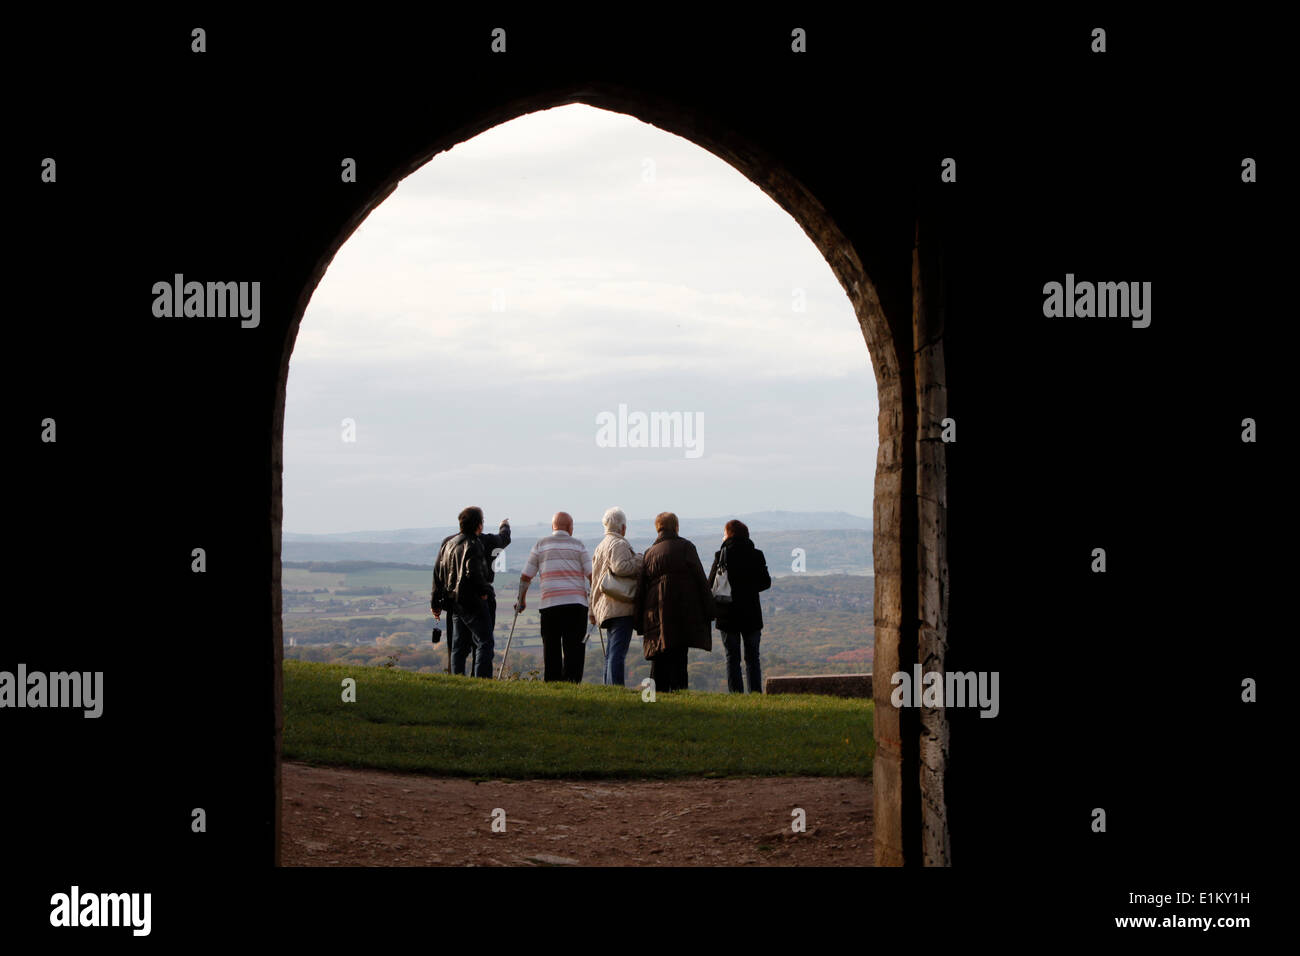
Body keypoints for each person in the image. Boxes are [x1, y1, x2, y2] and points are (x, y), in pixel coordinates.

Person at [634, 512, 713, 692]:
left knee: (659, 656)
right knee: (679, 657)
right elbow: (701, 579)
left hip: (656, 612)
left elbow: (641, 590)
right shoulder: (686, 547)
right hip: (682, 611)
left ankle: (657, 696)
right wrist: (709, 609)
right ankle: (679, 693)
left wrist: (638, 620)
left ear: (657, 528)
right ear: (676, 527)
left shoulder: (649, 554)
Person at [517, 512, 592, 682]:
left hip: (549, 605)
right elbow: (591, 575)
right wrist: (595, 601)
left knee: (551, 648)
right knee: (574, 648)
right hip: (576, 604)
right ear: (570, 528)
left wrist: (521, 600)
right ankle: (572, 682)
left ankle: (552, 682)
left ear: (553, 527)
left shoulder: (540, 545)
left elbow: (525, 576)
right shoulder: (579, 545)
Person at [707, 519, 772, 693]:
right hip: (751, 613)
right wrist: (749, 587)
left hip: (727, 613)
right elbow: (765, 582)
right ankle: (755, 692)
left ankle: (736, 693)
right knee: (752, 658)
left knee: (732, 658)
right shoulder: (757, 555)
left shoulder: (722, 555)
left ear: (728, 534)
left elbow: (711, 584)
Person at [431, 507, 493, 678]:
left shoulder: (449, 544)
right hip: (472, 601)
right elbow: (472, 572)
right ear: (479, 525)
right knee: (484, 642)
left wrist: (435, 602)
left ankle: (456, 677)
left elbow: (438, 572)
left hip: (453, 602)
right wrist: (484, 591)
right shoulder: (473, 544)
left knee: (458, 645)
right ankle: (483, 680)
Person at [589, 506, 643, 686]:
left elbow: (595, 579)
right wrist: (639, 559)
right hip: (619, 605)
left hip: (604, 606)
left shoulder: (600, 546)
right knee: (618, 652)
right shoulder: (619, 544)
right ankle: (617, 688)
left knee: (611, 652)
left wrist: (592, 609)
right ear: (623, 527)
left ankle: (608, 687)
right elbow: (621, 567)